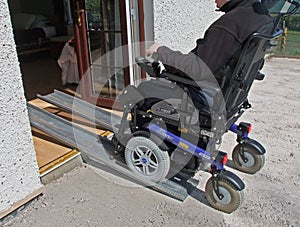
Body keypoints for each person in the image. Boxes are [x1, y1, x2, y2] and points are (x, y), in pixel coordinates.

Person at [146, 0, 275, 83]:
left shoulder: (230, 24)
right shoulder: (260, 18)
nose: (213, 0)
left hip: (204, 98)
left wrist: (160, 50)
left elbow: (198, 68)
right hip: (227, 96)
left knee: (142, 94)